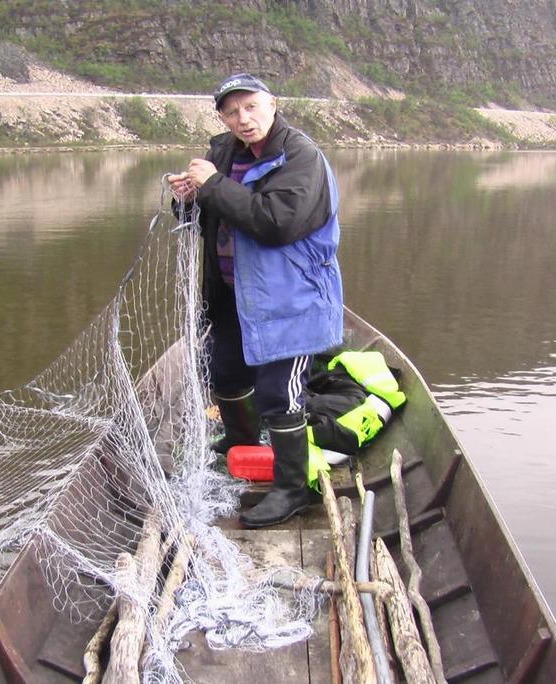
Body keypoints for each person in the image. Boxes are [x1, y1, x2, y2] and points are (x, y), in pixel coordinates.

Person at [168, 73, 343, 528]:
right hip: (232, 295)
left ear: (272, 103)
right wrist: (187, 199)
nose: (242, 120)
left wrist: (211, 186)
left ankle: (292, 489)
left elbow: (274, 222)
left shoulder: (303, 157)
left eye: (250, 107)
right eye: (231, 112)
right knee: (223, 372)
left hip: (291, 298)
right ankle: (240, 442)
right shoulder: (222, 153)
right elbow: (208, 215)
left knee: (278, 394)